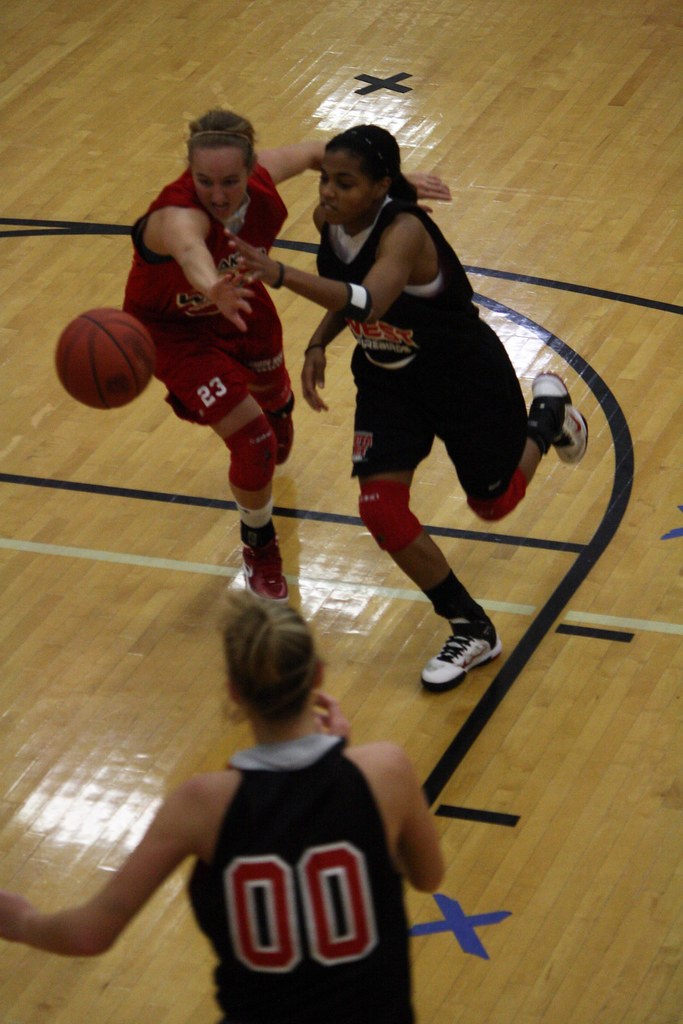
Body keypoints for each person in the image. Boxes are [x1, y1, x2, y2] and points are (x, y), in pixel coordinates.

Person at [227, 124, 589, 691]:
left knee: (491, 505)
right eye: (325, 179)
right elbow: (349, 292)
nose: (327, 192)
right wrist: (320, 340)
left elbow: (370, 299)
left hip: (461, 376)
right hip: (387, 378)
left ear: (381, 188)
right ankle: (471, 627)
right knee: (380, 508)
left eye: (345, 183)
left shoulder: (406, 233)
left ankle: (547, 417)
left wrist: (278, 272)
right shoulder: (329, 224)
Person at [0, 591, 444, 1024]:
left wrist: (21, 921)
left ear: (234, 692)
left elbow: (89, 934)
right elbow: (428, 876)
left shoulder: (199, 804)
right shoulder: (386, 771)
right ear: (317, 677)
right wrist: (342, 762)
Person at [123, 109, 451, 603]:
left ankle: (278, 407)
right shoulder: (178, 215)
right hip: (175, 332)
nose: (217, 193)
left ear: (251, 168)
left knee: (276, 417)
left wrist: (395, 183)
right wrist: (213, 287)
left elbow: (324, 152)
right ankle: (259, 544)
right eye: (204, 180)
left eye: (230, 181)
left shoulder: (265, 175)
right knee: (254, 444)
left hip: (244, 307)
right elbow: (190, 251)